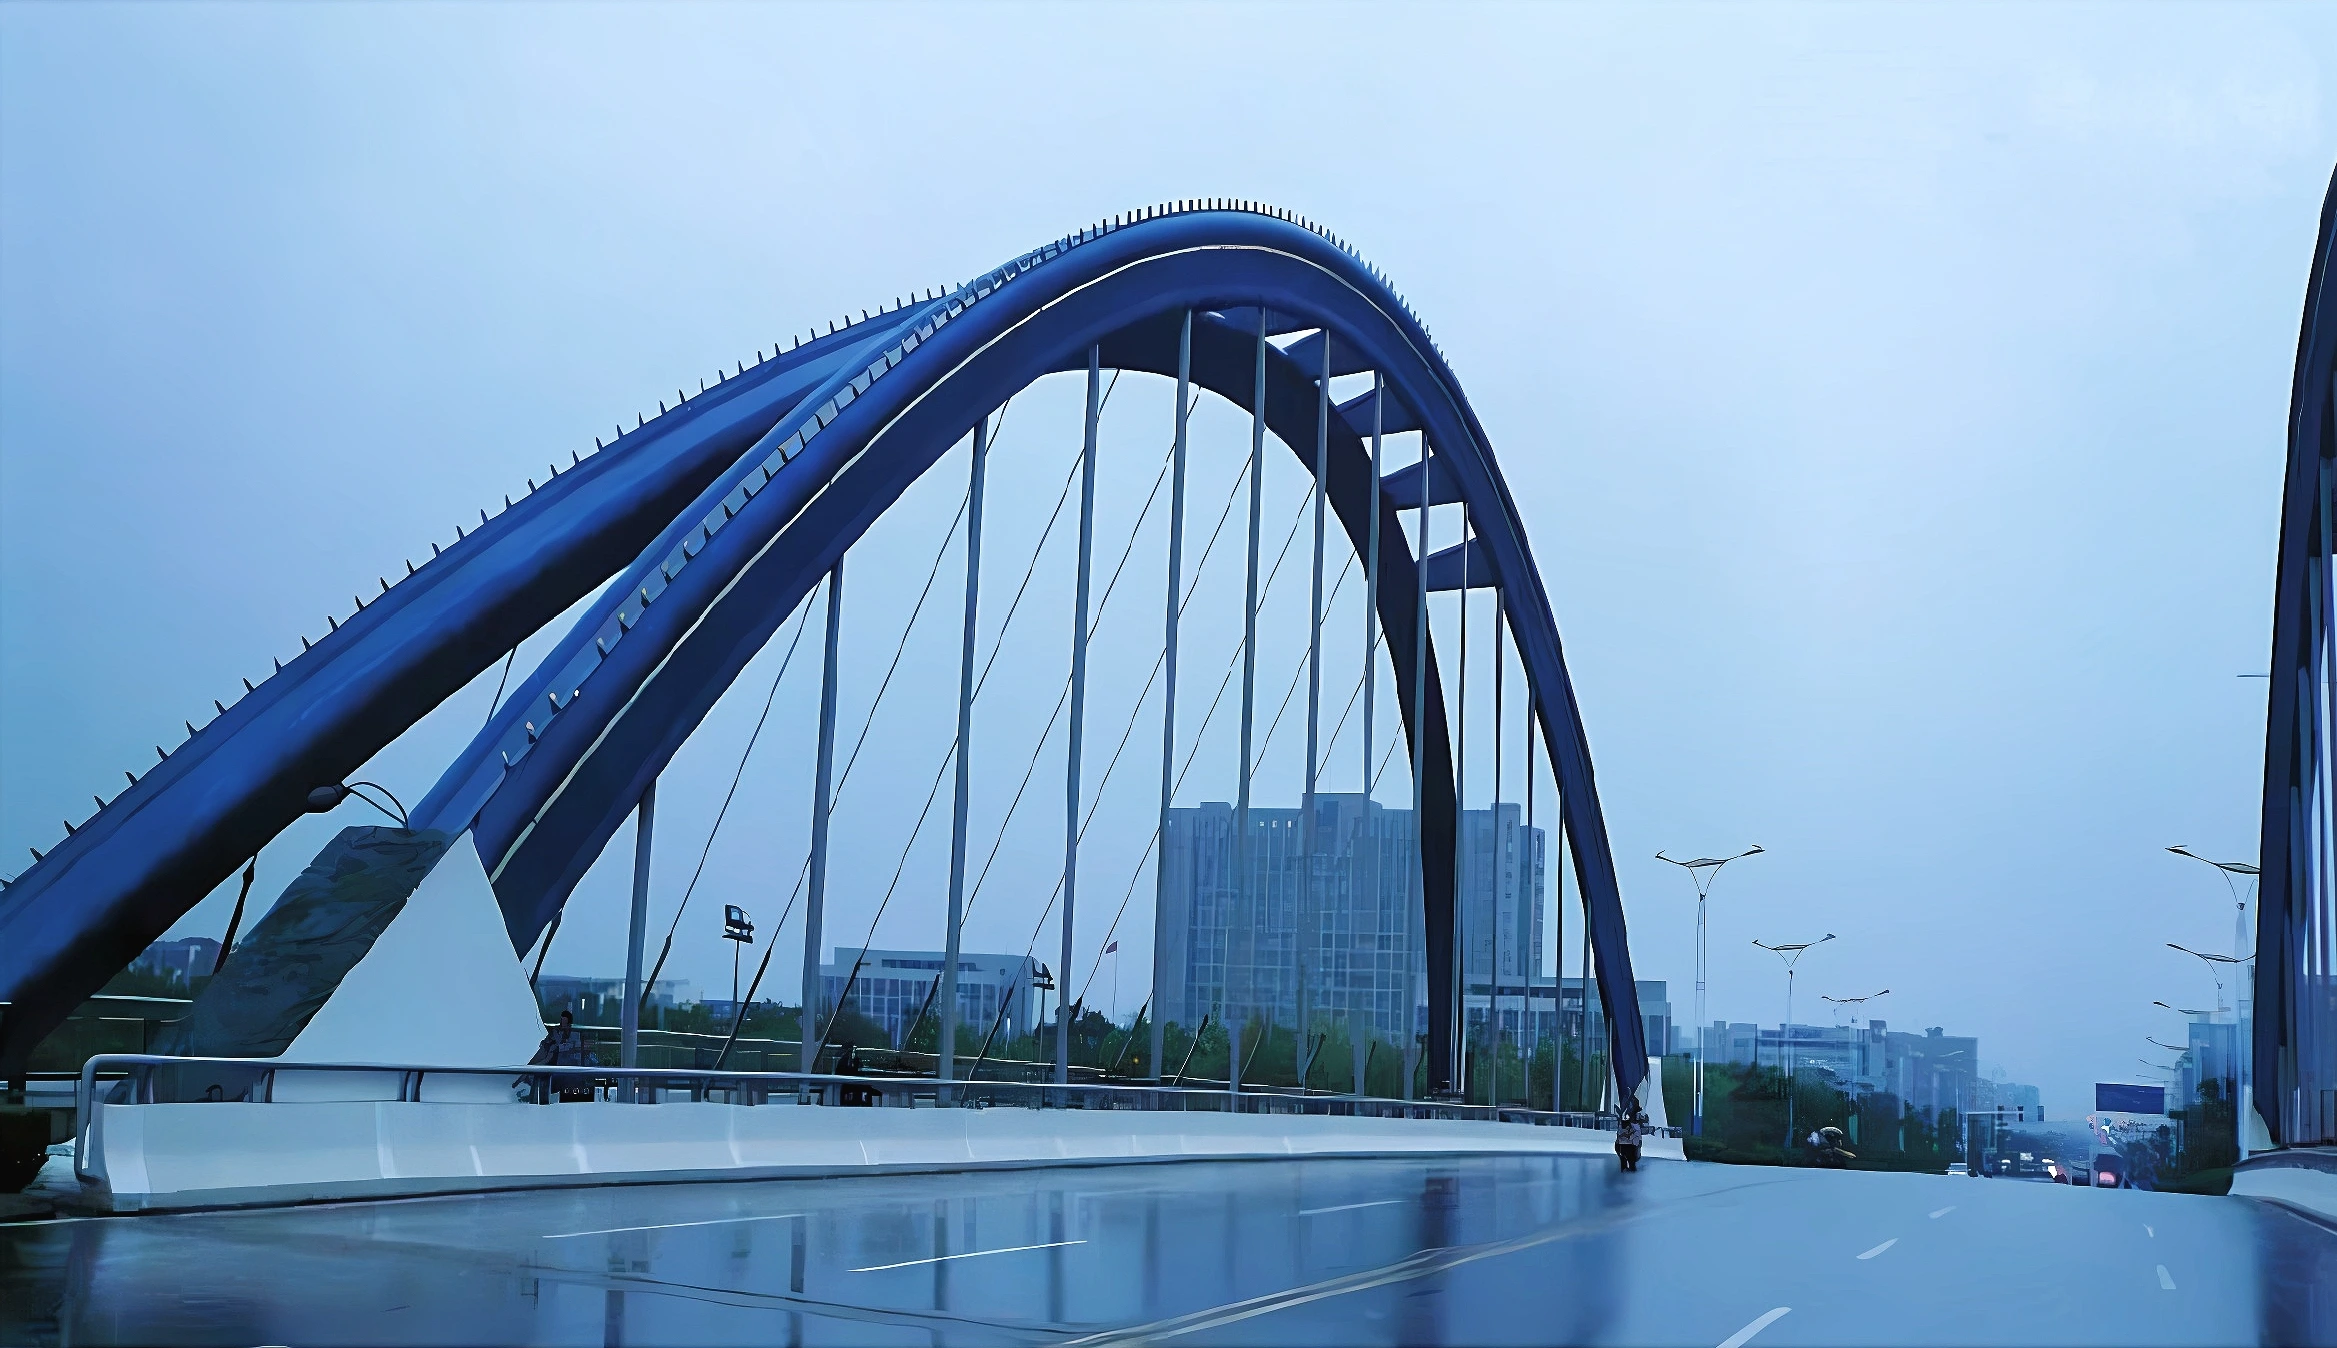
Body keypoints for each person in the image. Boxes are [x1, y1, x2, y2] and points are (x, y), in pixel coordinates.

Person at [529, 1009, 598, 1103]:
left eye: (565, 1021)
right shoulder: (557, 1031)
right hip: (556, 1063)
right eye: (562, 1020)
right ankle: (527, 1074)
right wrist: (547, 1043)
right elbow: (549, 1041)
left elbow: (575, 1046)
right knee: (542, 1059)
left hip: (570, 1067)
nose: (563, 1023)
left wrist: (559, 1048)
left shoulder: (576, 1033)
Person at [1615, 1106, 1645, 1172]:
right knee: (1631, 1162)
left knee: (1626, 1162)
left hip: (1625, 1145)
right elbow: (1637, 1138)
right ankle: (1630, 1174)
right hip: (1629, 1145)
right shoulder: (1634, 1126)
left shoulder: (1632, 1125)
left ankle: (1627, 1173)